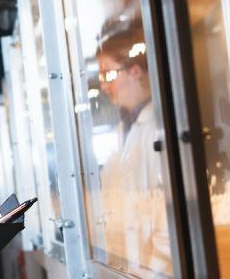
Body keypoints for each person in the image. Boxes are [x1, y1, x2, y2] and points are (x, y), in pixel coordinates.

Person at [94, 19, 171, 275]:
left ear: (135, 71)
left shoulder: (160, 128)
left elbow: (170, 218)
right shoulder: (123, 132)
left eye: (108, 74)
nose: (104, 86)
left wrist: (152, 273)